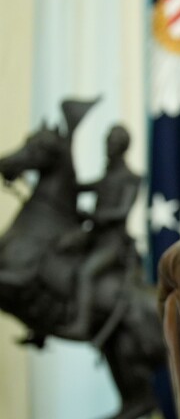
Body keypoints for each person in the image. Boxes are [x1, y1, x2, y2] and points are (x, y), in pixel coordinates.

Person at [58, 124, 141, 346]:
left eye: (113, 143)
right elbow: (76, 187)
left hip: (113, 243)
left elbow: (122, 212)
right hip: (93, 237)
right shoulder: (107, 176)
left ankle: (81, 324)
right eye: (107, 142)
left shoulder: (131, 178)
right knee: (57, 256)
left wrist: (94, 216)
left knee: (86, 272)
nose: (108, 147)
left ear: (122, 147)